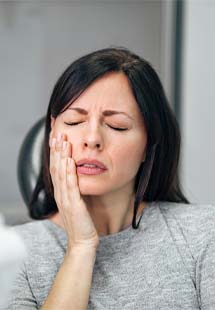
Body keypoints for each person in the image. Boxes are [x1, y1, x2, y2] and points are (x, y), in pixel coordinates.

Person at [5, 47, 215, 309]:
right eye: (73, 122)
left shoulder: (204, 234)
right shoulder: (12, 253)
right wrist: (80, 247)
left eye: (117, 126)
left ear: (149, 145)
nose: (92, 139)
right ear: (51, 134)